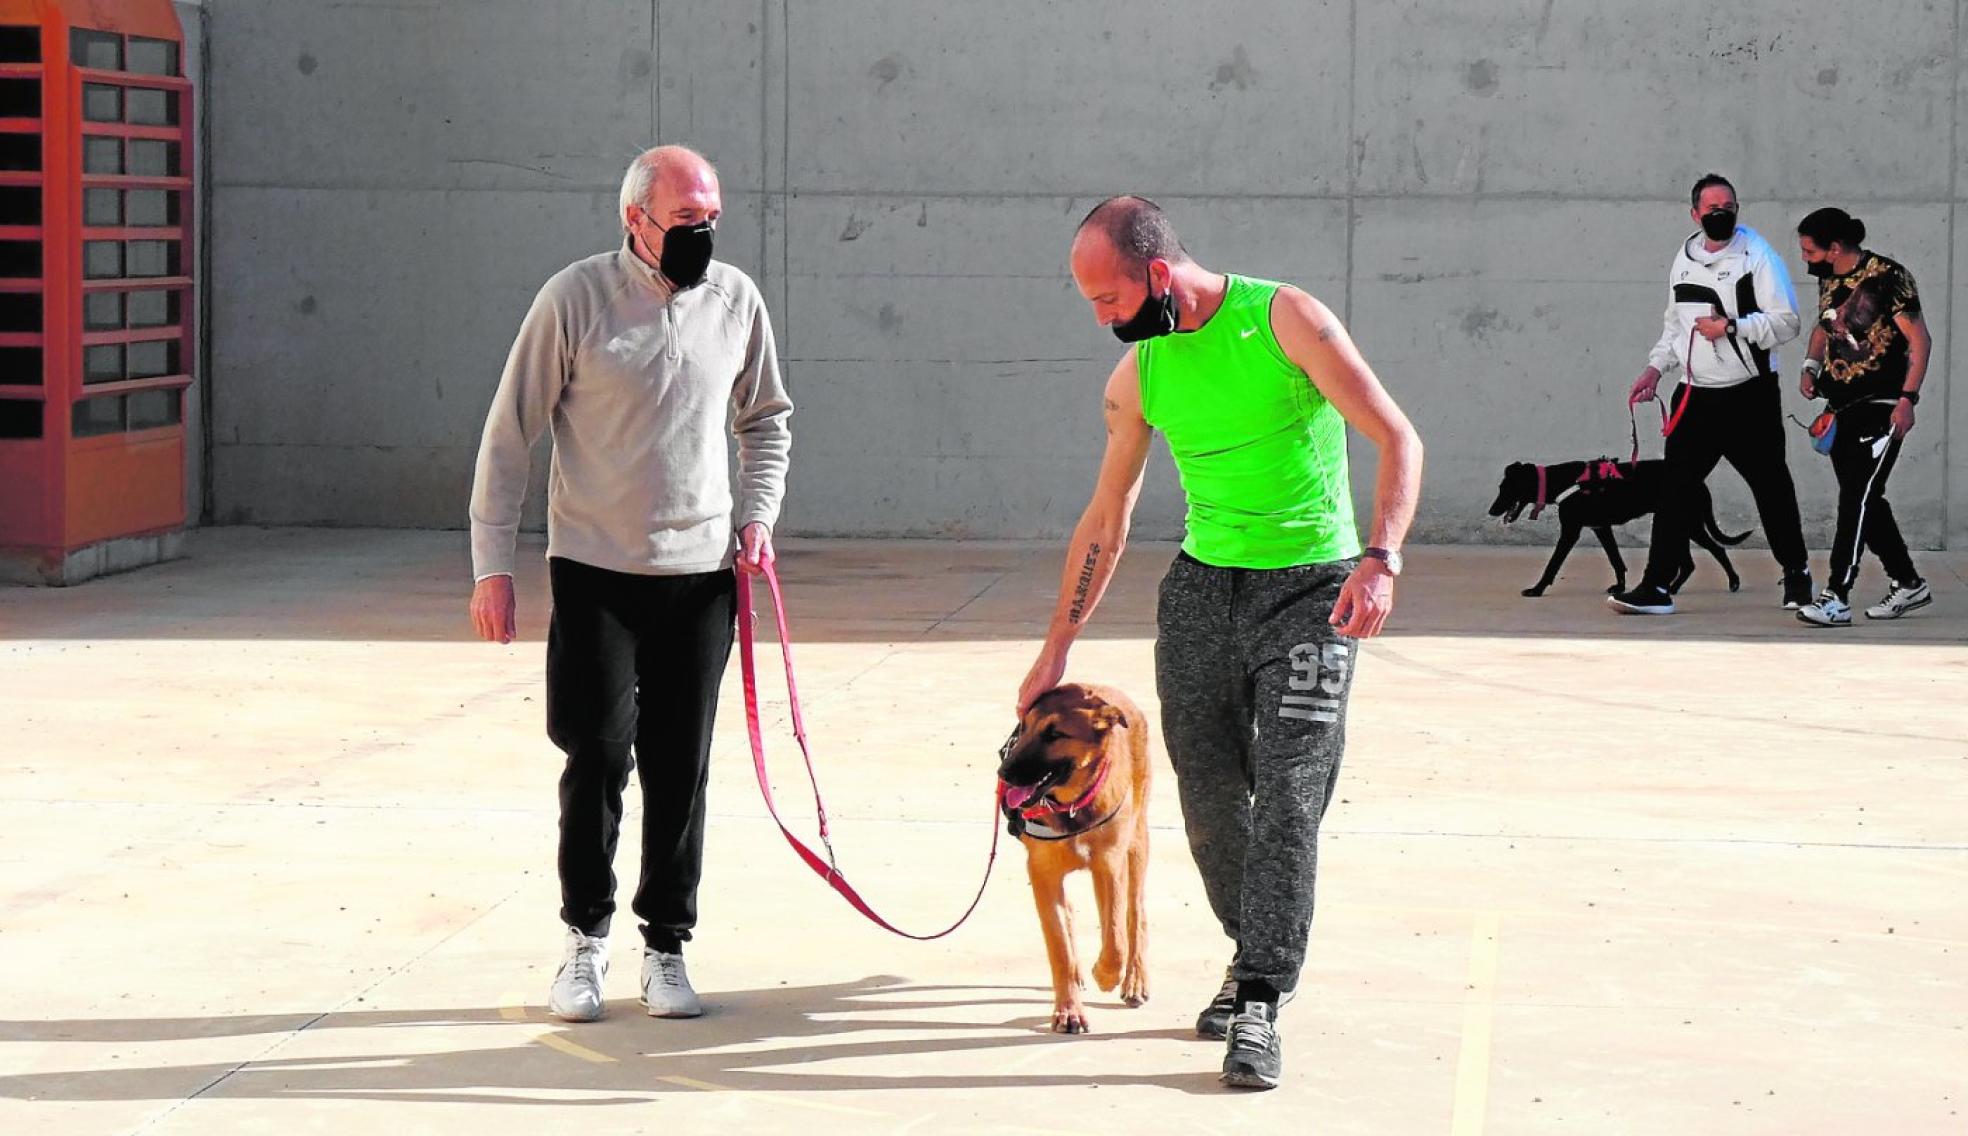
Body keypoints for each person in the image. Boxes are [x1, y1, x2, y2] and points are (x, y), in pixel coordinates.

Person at [1016, 196, 1422, 1090]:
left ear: (1159, 274)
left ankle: (1262, 997)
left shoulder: (1286, 319)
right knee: (1208, 802)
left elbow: (1398, 437)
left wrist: (1380, 561)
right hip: (1201, 592)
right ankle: (1253, 956)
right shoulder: (1140, 375)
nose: (1102, 320)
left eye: (1109, 299)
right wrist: (1056, 648)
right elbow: (1107, 515)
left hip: (1312, 589)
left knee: (1288, 797)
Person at [466, 145, 792, 1023]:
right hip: (594, 572)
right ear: (634, 220)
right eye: (686, 220)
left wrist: (756, 516)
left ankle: (666, 946)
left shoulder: (737, 302)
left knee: (680, 769)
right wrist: (492, 564)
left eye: (712, 217)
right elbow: (509, 435)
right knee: (598, 755)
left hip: (701, 579)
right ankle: (584, 939)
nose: (704, 234)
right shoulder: (574, 299)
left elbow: (766, 421)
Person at [1610, 173, 1811, 616]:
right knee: (1674, 491)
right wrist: (1655, 368)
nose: (1721, 214)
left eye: (1729, 207)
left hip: (1749, 396)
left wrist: (1733, 327)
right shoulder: (1683, 259)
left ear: (1737, 210)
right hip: (1695, 397)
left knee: (1771, 488)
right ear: (1695, 213)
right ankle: (1656, 587)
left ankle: (1797, 573)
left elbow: (1787, 321)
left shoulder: (1758, 256)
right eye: (1712, 207)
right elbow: (1674, 323)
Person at [1792, 207, 1934, 626]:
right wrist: (1810, 367)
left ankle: (1836, 595)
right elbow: (1824, 324)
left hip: (1884, 406)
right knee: (1866, 499)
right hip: (1842, 408)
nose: (1804, 258)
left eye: (1808, 250)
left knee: (1856, 498)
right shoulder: (1829, 276)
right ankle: (1908, 583)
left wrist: (1908, 399)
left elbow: (1920, 341)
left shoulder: (1889, 277)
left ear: (1834, 248)